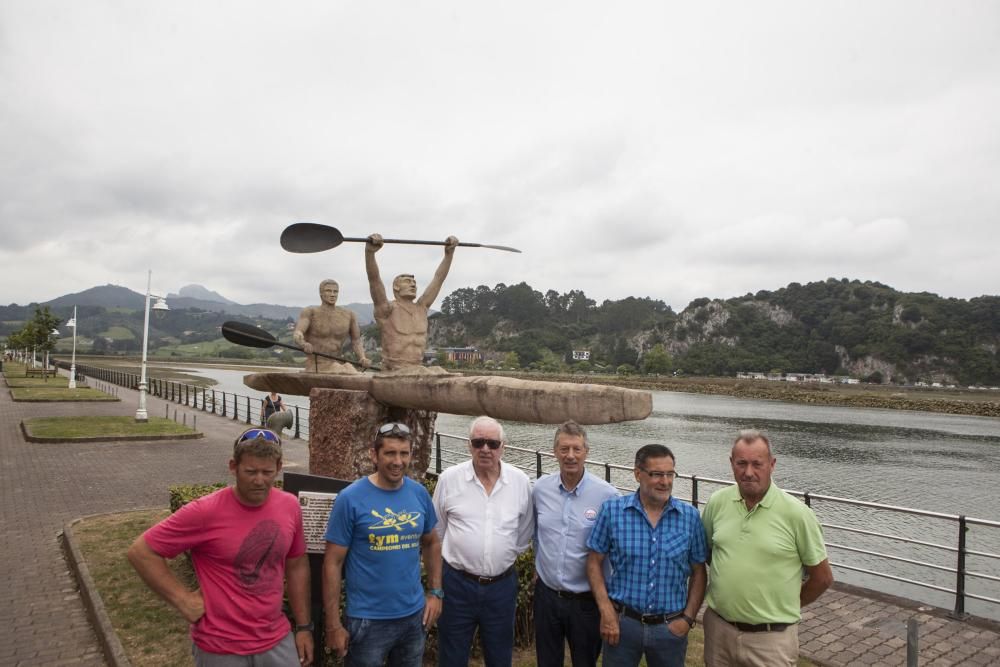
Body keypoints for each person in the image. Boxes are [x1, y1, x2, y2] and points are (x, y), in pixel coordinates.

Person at [127, 428, 313, 666]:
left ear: (279, 467)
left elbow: (296, 565)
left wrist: (305, 626)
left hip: (275, 638)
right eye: (250, 471)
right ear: (233, 467)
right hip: (220, 646)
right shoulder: (205, 511)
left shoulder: (289, 506)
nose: (259, 480)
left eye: (267, 472)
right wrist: (183, 600)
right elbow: (141, 552)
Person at [701, 430, 834, 667]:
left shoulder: (797, 514)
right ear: (731, 463)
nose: (748, 472)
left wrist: (785, 605)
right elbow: (711, 553)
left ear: (772, 465)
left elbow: (822, 578)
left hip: (771, 641)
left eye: (757, 464)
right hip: (718, 631)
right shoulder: (717, 503)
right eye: (741, 463)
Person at [322, 422, 443, 666]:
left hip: (414, 617)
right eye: (389, 453)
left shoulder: (419, 494)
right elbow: (332, 563)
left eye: (404, 453)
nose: (397, 461)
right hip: (367, 621)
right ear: (373, 455)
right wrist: (333, 625)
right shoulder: (350, 498)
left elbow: (431, 543)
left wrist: (436, 592)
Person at [586, 444, 707, 667]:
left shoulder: (690, 517)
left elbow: (699, 571)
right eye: (657, 474)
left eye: (670, 474)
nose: (665, 481)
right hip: (623, 625)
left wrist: (688, 619)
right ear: (638, 474)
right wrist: (606, 611)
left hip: (670, 628)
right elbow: (594, 562)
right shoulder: (613, 512)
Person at [432, 416, 534, 666]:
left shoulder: (520, 482)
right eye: (478, 442)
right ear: (469, 445)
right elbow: (437, 532)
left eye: (492, 443)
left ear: (503, 447)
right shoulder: (449, 479)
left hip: (501, 587)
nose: (485, 449)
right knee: (451, 655)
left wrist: (502, 555)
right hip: (457, 584)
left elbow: (524, 533)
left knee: (499, 657)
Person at [532, 421, 619, 667]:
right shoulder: (540, 489)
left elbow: (613, 549)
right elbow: (536, 533)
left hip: (586, 602)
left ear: (586, 452)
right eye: (564, 449)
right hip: (547, 597)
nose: (570, 456)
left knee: (585, 662)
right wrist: (539, 567)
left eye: (576, 449)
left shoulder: (607, 496)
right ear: (554, 451)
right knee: (547, 661)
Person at [365, 233, 458, 371]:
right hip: (394, 369)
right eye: (408, 282)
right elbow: (374, 280)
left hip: (417, 368)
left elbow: (438, 279)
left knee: (439, 370)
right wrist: (370, 253)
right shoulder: (387, 309)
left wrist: (448, 255)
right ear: (396, 287)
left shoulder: (422, 308)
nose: (413, 285)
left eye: (414, 282)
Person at [293, 279, 370, 373]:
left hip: (336, 363)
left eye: (335, 291)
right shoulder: (310, 312)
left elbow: (356, 341)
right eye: (328, 291)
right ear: (321, 293)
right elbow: (298, 333)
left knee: (348, 369)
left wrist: (362, 357)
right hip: (316, 364)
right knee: (348, 372)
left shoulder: (349, 315)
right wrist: (303, 343)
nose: (333, 294)